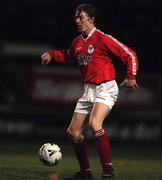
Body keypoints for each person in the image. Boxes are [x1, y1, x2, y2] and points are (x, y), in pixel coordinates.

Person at [41, 3, 139, 180]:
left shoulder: (103, 38)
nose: (77, 21)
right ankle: (86, 173)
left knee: (95, 124)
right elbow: (68, 55)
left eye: (81, 17)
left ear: (91, 20)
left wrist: (131, 76)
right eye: (76, 17)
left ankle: (108, 169)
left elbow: (129, 54)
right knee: (73, 132)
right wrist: (51, 54)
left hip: (106, 88)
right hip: (88, 90)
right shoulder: (78, 42)